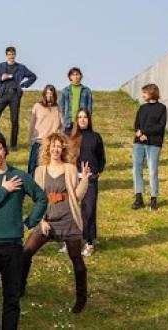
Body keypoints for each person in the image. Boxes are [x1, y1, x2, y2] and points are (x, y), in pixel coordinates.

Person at [0, 130, 47, 330]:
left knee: (12, 300)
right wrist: (4, 190)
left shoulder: (18, 176)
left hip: (12, 248)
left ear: (5, 150)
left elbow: (41, 198)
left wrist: (29, 223)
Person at [21, 132, 91, 314]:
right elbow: (38, 199)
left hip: (68, 218)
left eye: (59, 146)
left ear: (63, 149)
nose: (56, 149)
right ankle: (19, 288)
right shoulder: (40, 171)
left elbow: (76, 196)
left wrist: (84, 179)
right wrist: (41, 220)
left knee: (76, 259)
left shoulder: (70, 169)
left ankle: (81, 299)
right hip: (47, 220)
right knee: (26, 252)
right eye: (53, 146)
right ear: (48, 148)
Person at [69, 109, 106, 257]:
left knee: (89, 211)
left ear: (89, 119)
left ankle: (89, 243)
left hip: (90, 180)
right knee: (72, 211)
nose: (82, 119)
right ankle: (71, 241)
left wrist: (97, 171)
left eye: (85, 117)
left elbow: (101, 157)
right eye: (80, 117)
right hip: (74, 179)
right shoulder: (71, 137)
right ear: (76, 120)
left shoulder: (96, 137)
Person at [0, 46, 37, 150]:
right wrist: (1, 78)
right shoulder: (1, 66)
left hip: (15, 95)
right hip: (3, 94)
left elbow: (33, 76)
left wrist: (24, 85)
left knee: (14, 120)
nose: (11, 56)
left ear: (15, 55)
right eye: (9, 54)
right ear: (6, 55)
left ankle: (13, 145)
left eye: (13, 54)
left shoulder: (21, 67)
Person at [131, 83, 167, 211]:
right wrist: (139, 133)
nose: (143, 95)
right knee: (136, 169)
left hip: (154, 143)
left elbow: (160, 126)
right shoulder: (142, 108)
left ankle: (153, 199)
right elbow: (136, 124)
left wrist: (144, 132)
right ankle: (138, 198)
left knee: (152, 171)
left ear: (152, 93)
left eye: (145, 93)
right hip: (139, 143)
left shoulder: (162, 108)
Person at [28, 84, 64, 176]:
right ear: (44, 94)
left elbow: (62, 124)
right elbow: (32, 123)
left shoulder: (57, 108)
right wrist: (30, 137)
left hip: (50, 143)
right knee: (33, 168)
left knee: (47, 169)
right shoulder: (37, 106)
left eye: (51, 94)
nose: (49, 95)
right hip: (38, 142)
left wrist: (58, 136)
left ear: (54, 95)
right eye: (47, 93)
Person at [59, 67, 93, 134]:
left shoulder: (87, 90)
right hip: (69, 123)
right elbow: (61, 107)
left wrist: (87, 120)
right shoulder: (65, 91)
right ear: (70, 77)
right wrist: (64, 120)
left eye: (77, 74)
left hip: (81, 122)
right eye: (73, 75)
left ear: (81, 76)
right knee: (68, 140)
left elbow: (89, 108)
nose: (75, 76)